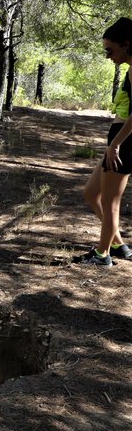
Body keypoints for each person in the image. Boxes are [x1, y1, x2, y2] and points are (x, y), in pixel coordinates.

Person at [82, 17, 132, 266]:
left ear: (126, 44)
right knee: (91, 193)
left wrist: (116, 145)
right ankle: (118, 244)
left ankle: (103, 255)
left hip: (125, 143)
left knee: (111, 203)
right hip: (120, 140)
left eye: (110, 50)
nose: (108, 56)